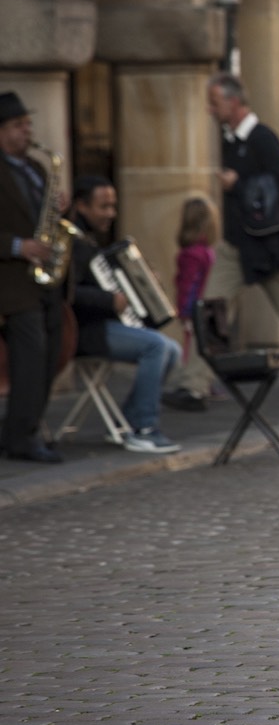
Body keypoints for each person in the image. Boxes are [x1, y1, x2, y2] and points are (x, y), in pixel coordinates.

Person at [163, 72, 279, 412]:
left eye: (215, 103)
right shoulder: (230, 139)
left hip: (270, 250)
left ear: (234, 103)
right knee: (212, 313)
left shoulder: (262, 138)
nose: (210, 110)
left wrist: (239, 183)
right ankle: (194, 387)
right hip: (237, 247)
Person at [68, 176, 182, 453]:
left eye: (113, 207)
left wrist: (141, 284)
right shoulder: (70, 241)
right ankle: (144, 428)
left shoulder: (90, 241)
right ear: (82, 206)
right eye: (103, 207)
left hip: (101, 325)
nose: (111, 214)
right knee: (155, 346)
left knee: (173, 349)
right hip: (80, 330)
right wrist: (109, 300)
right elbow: (67, 294)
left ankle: (130, 419)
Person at [0, 91, 66, 464]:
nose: (27, 132)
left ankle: (20, 429)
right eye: (18, 126)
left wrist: (58, 209)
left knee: (49, 357)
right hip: (10, 282)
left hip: (43, 281)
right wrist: (16, 246)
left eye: (28, 125)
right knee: (28, 358)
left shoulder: (37, 170)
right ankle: (23, 438)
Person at [174, 195, 218, 363]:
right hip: (201, 309)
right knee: (198, 347)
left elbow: (188, 285)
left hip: (198, 308)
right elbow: (189, 284)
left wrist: (185, 310)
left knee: (197, 347)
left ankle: (195, 381)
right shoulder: (200, 252)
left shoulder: (195, 252)